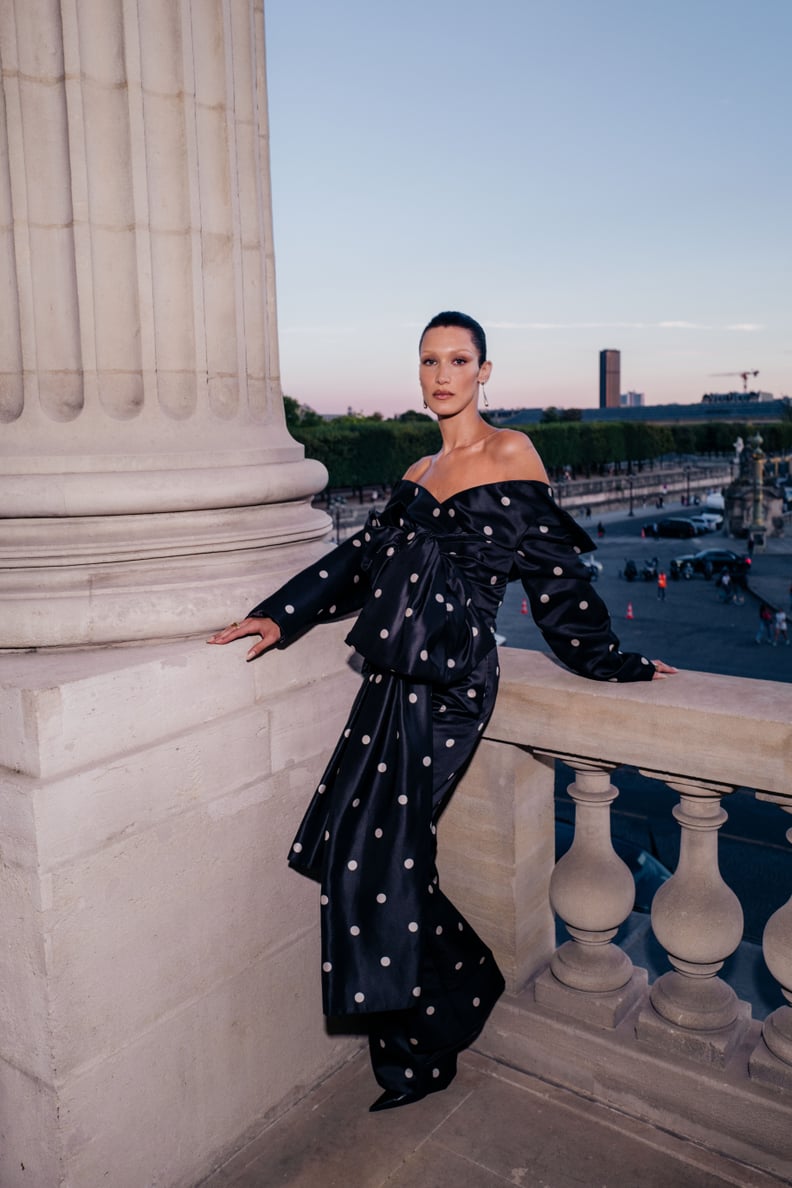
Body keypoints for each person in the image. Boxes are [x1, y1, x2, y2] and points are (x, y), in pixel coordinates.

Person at [207, 311, 677, 1113]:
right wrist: (280, 615)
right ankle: (455, 993)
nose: (442, 374)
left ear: (485, 371)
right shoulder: (420, 467)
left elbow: (554, 580)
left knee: (377, 858)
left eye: (459, 359)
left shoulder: (511, 453)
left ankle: (429, 1037)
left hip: (454, 682)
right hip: (393, 679)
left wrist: (614, 660)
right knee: (357, 853)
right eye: (430, 360)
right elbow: (359, 560)